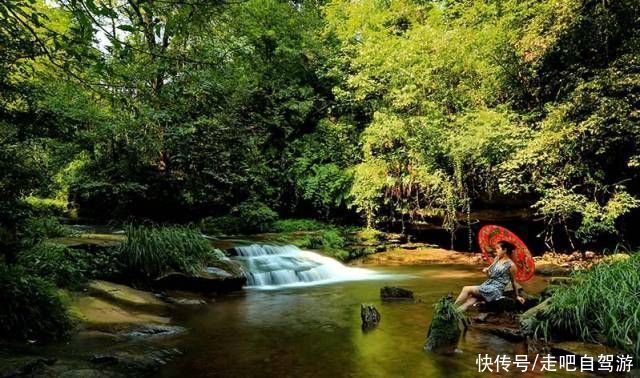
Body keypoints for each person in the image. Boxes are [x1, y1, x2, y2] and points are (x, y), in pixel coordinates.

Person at [454, 241, 525, 312]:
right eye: (496, 248)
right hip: (488, 285)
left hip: (495, 290)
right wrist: (487, 272)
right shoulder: (497, 259)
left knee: (466, 289)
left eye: (498, 248)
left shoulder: (511, 266)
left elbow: (513, 282)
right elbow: (491, 277)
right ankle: (453, 314)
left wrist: (517, 296)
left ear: (505, 250)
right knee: (469, 302)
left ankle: (451, 308)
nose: (496, 250)